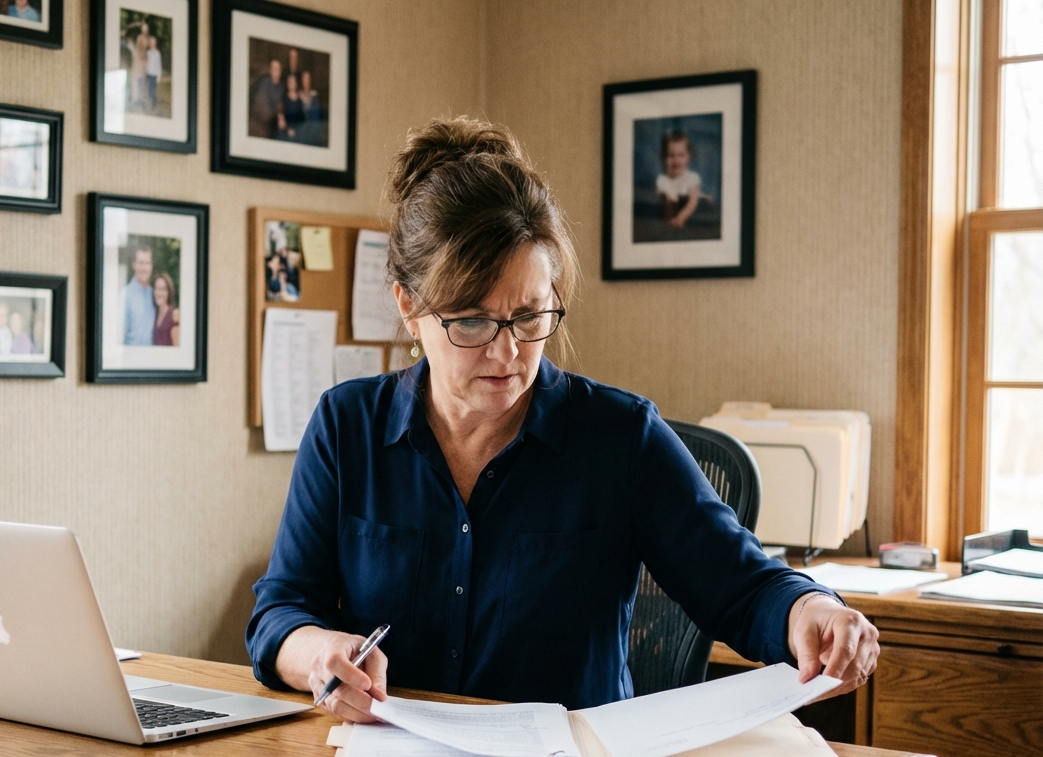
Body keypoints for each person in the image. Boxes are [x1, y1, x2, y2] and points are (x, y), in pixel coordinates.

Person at [245, 117, 879, 722]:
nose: (506, 351)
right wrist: (316, 654)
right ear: (409, 309)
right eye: (471, 320)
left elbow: (742, 586)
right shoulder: (346, 426)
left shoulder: (620, 437)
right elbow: (280, 612)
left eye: (529, 316)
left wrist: (810, 611)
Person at [656, 130, 707, 228]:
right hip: (671, 213)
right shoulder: (661, 180)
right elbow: (663, 203)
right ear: (662, 158)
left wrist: (681, 217)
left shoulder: (692, 177)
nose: (676, 160)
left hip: (691, 213)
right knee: (664, 197)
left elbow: (693, 201)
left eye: (681, 155)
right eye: (671, 155)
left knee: (704, 201)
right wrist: (671, 219)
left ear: (689, 156)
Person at [121, 245, 155, 346]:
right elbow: (119, 334)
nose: (144, 268)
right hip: (131, 358)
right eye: (141, 263)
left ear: (151, 266)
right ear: (134, 265)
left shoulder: (154, 294)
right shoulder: (125, 294)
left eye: (147, 263)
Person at [249, 59, 284, 139]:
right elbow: (261, 106)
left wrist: (280, 116)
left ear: (280, 71)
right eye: (273, 69)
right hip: (258, 125)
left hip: (272, 128)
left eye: (278, 69)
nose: (275, 71)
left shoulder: (282, 87)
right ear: (270, 70)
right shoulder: (263, 83)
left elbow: (281, 106)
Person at [151, 272, 180, 347]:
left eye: (163, 289)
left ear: (168, 292)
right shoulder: (154, 314)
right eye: (157, 289)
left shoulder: (174, 316)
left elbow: (178, 349)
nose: (159, 293)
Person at [298, 70, 324, 146]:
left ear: (310, 80)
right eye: (304, 79)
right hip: (300, 136)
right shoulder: (297, 97)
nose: (306, 81)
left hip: (312, 136)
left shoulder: (315, 98)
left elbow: (317, 121)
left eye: (307, 79)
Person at [277, 72, 305, 140]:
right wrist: (287, 129)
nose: (292, 84)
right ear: (287, 84)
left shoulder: (300, 100)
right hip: (288, 133)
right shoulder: (284, 100)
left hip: (300, 132)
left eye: (293, 82)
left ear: (296, 84)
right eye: (290, 82)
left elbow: (303, 118)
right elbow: (281, 121)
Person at [130, 23, 150, 112]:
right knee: (137, 79)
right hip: (139, 61)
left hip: (145, 62)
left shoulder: (148, 39)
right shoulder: (139, 38)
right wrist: (137, 59)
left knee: (144, 80)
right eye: (143, 29)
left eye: (146, 29)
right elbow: (138, 48)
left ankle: (142, 100)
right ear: (142, 30)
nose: (144, 30)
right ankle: (136, 99)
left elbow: (148, 50)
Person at [146, 36, 162, 112]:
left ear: (155, 43)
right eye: (151, 42)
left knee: (153, 91)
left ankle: (154, 105)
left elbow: (159, 65)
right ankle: (151, 104)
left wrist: (159, 76)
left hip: (154, 75)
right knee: (149, 90)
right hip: (148, 74)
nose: (152, 44)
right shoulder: (148, 53)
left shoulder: (157, 53)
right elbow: (146, 63)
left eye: (153, 42)